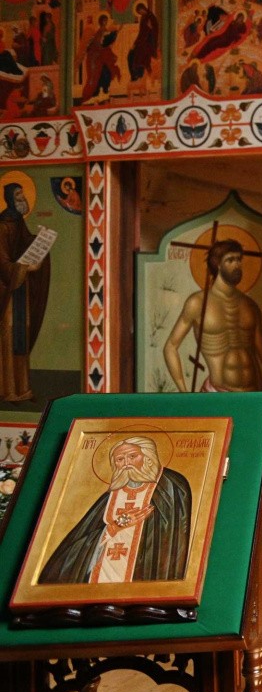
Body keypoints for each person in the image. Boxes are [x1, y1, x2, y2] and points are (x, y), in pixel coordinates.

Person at [40, 436, 192, 584]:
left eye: (132, 456)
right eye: (120, 459)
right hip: (102, 575)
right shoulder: (108, 498)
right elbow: (78, 544)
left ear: (148, 458)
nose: (126, 463)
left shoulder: (169, 488)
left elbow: (175, 537)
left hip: (143, 575)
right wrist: (114, 527)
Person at [163, 239, 262, 392]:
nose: (237, 265)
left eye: (239, 259)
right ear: (218, 264)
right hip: (218, 394)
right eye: (230, 260)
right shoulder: (198, 303)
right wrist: (184, 392)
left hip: (255, 393)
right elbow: (170, 347)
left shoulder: (250, 305)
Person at [0, 183, 50, 403]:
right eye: (18, 195)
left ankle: (23, 389)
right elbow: (2, 262)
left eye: (22, 193)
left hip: (20, 288)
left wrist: (41, 239)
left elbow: (24, 245)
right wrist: (24, 268)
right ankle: (8, 391)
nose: (22, 198)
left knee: (21, 336)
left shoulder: (18, 221)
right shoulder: (3, 225)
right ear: (10, 198)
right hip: (6, 291)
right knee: (9, 337)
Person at [80, 14, 120, 104]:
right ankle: (95, 94)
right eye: (104, 21)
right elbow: (102, 43)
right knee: (99, 76)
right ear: (101, 22)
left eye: (106, 21)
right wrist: (114, 34)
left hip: (100, 58)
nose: (105, 22)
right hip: (96, 58)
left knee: (106, 74)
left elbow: (106, 42)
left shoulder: (104, 31)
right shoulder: (100, 32)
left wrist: (115, 33)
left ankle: (103, 92)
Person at [127, 2, 159, 89]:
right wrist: (135, 43)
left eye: (140, 11)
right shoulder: (144, 17)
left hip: (149, 44)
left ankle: (138, 76)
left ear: (143, 8)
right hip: (142, 43)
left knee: (136, 56)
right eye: (139, 12)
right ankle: (136, 76)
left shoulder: (150, 17)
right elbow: (141, 33)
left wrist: (151, 28)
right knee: (131, 55)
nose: (140, 13)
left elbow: (153, 31)